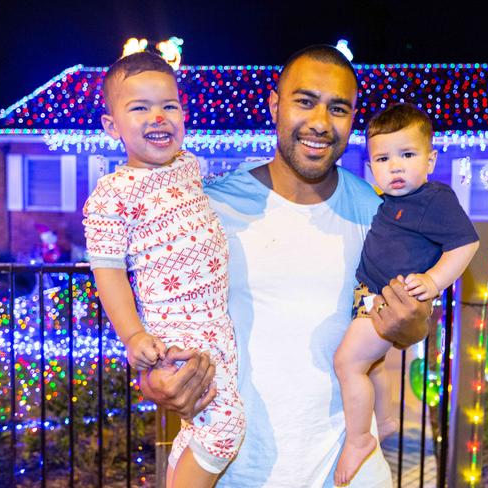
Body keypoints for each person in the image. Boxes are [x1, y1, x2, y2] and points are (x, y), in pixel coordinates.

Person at [140, 45, 431, 487]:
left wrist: (412, 323)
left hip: (349, 471)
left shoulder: (376, 213)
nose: (319, 123)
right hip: (237, 471)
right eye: (305, 101)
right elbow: (160, 332)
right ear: (276, 105)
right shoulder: (210, 207)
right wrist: (155, 381)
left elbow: (410, 325)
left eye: (338, 108)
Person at [83, 51, 244, 488]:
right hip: (177, 331)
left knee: (202, 425)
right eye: (140, 108)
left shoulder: (189, 166)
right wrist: (133, 335)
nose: (158, 116)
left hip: (216, 324)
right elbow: (109, 271)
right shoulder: (112, 194)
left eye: (169, 105)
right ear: (111, 127)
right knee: (225, 429)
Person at [333, 103, 480, 485]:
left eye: (407, 155)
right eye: (383, 158)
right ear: (371, 166)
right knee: (373, 366)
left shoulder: (435, 199)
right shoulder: (391, 200)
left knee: (348, 364)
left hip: (383, 301)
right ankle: (382, 419)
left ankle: (360, 439)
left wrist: (433, 281)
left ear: (430, 159)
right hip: (368, 293)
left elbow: (466, 244)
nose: (395, 167)